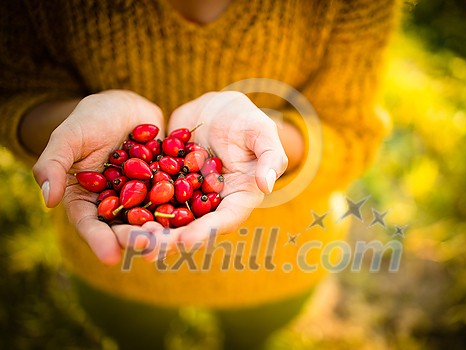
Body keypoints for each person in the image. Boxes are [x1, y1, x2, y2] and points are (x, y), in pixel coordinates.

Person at [0, 0, 400, 349]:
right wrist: (70, 125)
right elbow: (15, 89)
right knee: (134, 337)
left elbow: (353, 132)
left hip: (278, 259)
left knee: (251, 339)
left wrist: (268, 140)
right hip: (118, 271)